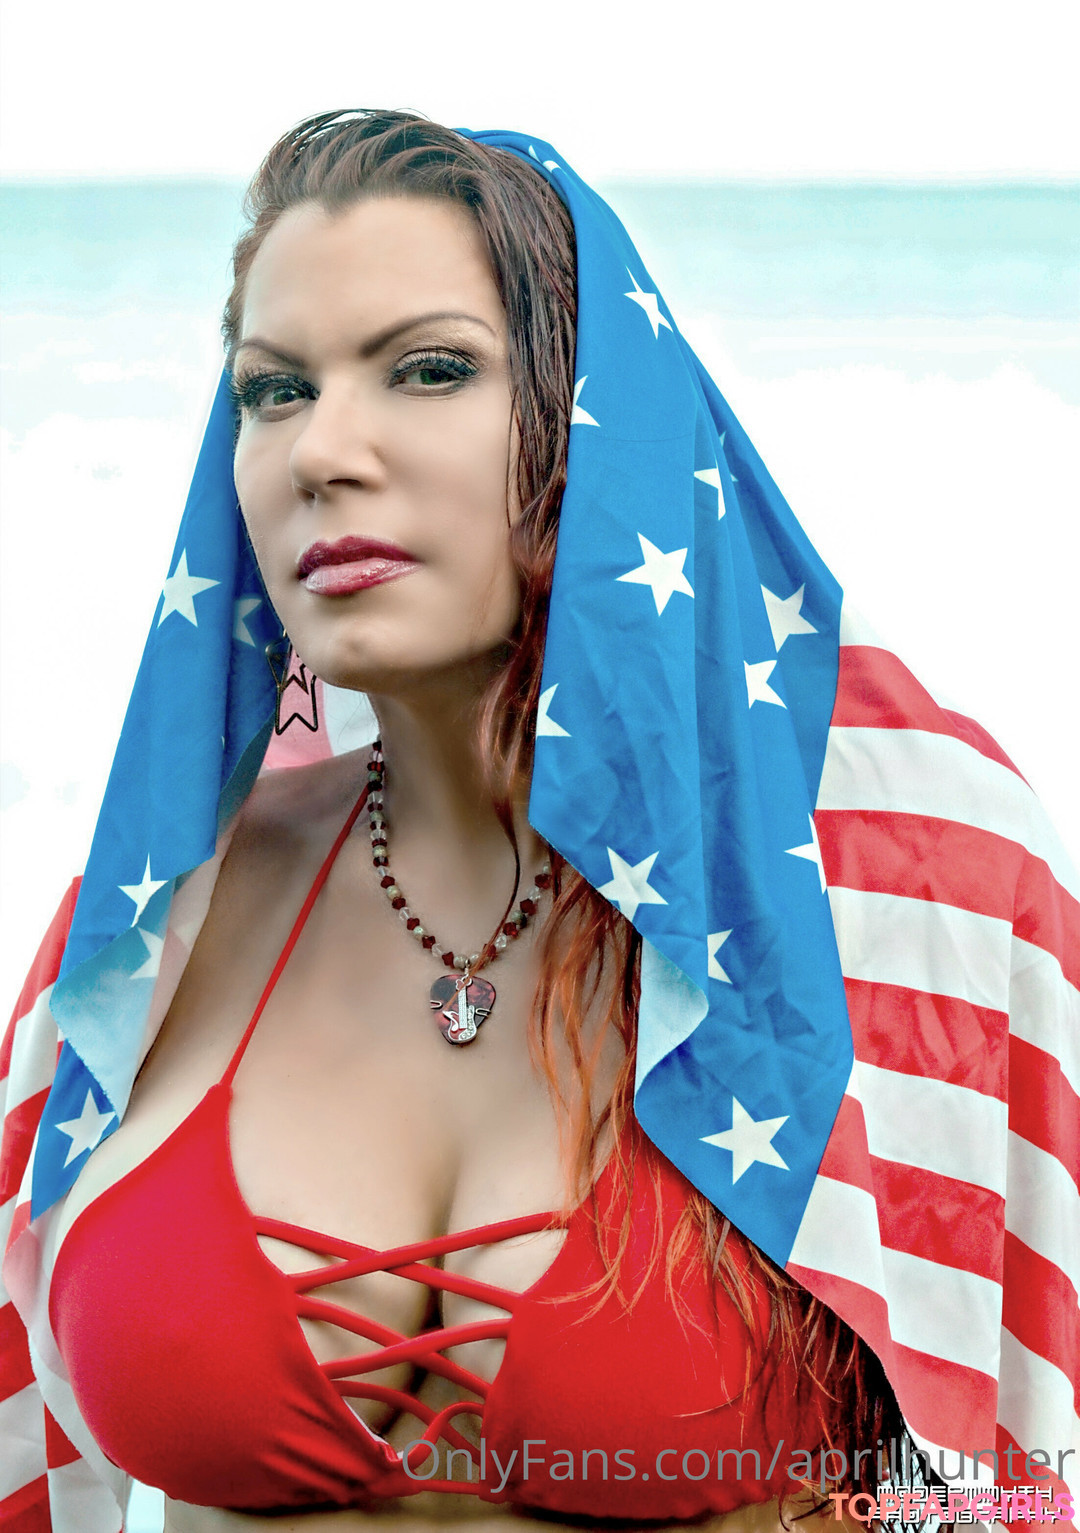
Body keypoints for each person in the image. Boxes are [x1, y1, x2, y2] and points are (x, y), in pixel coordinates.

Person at [1, 111, 1075, 1533]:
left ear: (596, 421)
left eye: (429, 368)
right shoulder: (149, 930)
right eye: (273, 389)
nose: (324, 448)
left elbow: (1017, 1457)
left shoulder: (905, 896)